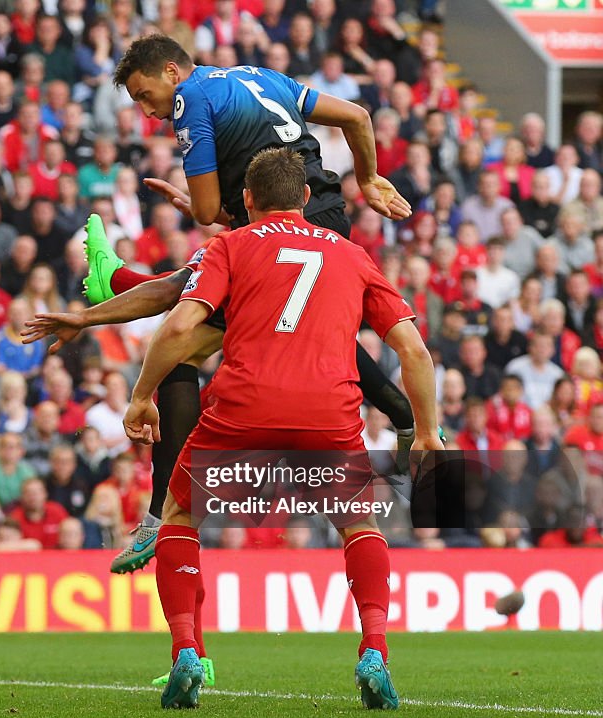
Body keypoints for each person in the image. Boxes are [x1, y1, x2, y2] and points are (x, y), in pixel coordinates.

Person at [60, 34, 415, 575]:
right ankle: (404, 414)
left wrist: (211, 202)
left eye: (142, 92)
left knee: (180, 350)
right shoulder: (259, 77)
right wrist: (366, 178)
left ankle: (159, 514)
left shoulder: (189, 99)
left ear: (172, 71)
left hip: (274, 236)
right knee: (319, 337)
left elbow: (205, 211)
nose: (144, 107)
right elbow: (359, 116)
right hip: (326, 222)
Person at [121, 148, 442, 709]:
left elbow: (178, 330)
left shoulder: (230, 245)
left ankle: (186, 653)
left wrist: (142, 396)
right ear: (303, 200)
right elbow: (412, 349)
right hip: (330, 412)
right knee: (359, 524)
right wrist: (430, 433)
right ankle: (374, 651)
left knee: (178, 516)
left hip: (244, 406)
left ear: (246, 200)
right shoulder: (353, 255)